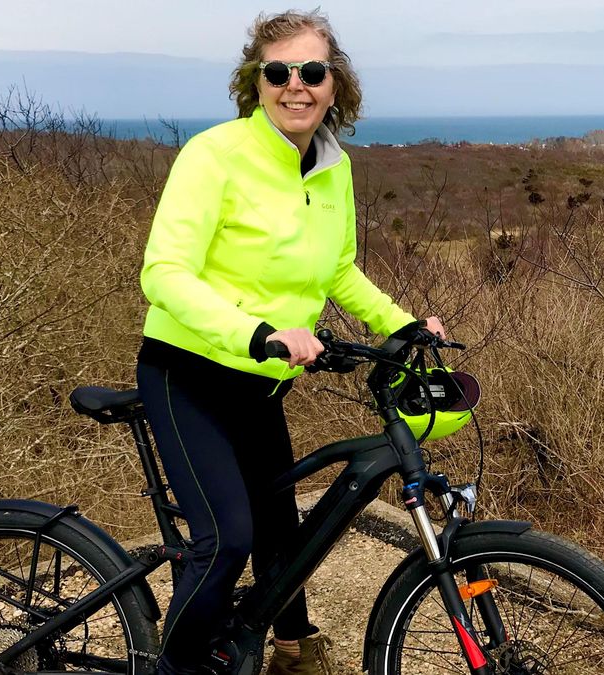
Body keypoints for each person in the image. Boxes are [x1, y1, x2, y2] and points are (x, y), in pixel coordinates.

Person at [134, 10, 443, 675]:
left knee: (283, 529)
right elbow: (163, 272)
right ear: (256, 81)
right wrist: (259, 332)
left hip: (259, 383)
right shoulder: (214, 155)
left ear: (336, 84)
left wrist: (402, 323)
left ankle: (292, 652)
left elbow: (337, 267)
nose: (295, 85)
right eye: (278, 72)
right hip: (186, 373)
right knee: (227, 540)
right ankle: (175, 667)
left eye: (312, 72)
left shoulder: (333, 166)